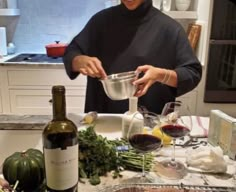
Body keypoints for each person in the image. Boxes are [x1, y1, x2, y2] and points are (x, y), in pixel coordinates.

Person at [63, 0, 202, 114]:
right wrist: (79, 61)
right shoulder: (100, 21)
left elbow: (192, 73)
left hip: (150, 125)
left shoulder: (170, 29)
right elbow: (72, 52)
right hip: (104, 120)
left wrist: (161, 75)